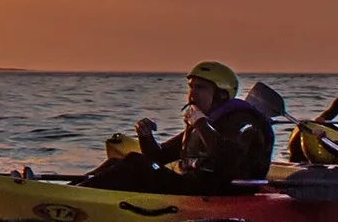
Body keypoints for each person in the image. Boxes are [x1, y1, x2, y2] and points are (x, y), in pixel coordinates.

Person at [76, 61, 274, 195]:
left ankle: (78, 195)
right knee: (119, 162)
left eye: (201, 88)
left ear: (222, 94)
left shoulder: (243, 121)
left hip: (222, 191)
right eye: (191, 86)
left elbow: (225, 160)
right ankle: (76, 190)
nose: (192, 93)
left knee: (136, 162)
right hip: (195, 185)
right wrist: (145, 136)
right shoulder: (204, 122)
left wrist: (200, 123)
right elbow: (159, 157)